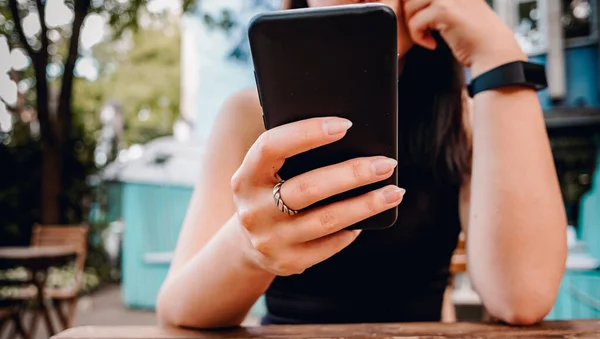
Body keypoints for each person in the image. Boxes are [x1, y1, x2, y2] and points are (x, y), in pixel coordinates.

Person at [157, 0, 567, 328]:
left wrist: (498, 53)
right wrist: (249, 249)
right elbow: (178, 308)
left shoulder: (469, 116)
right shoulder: (249, 114)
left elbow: (523, 298)